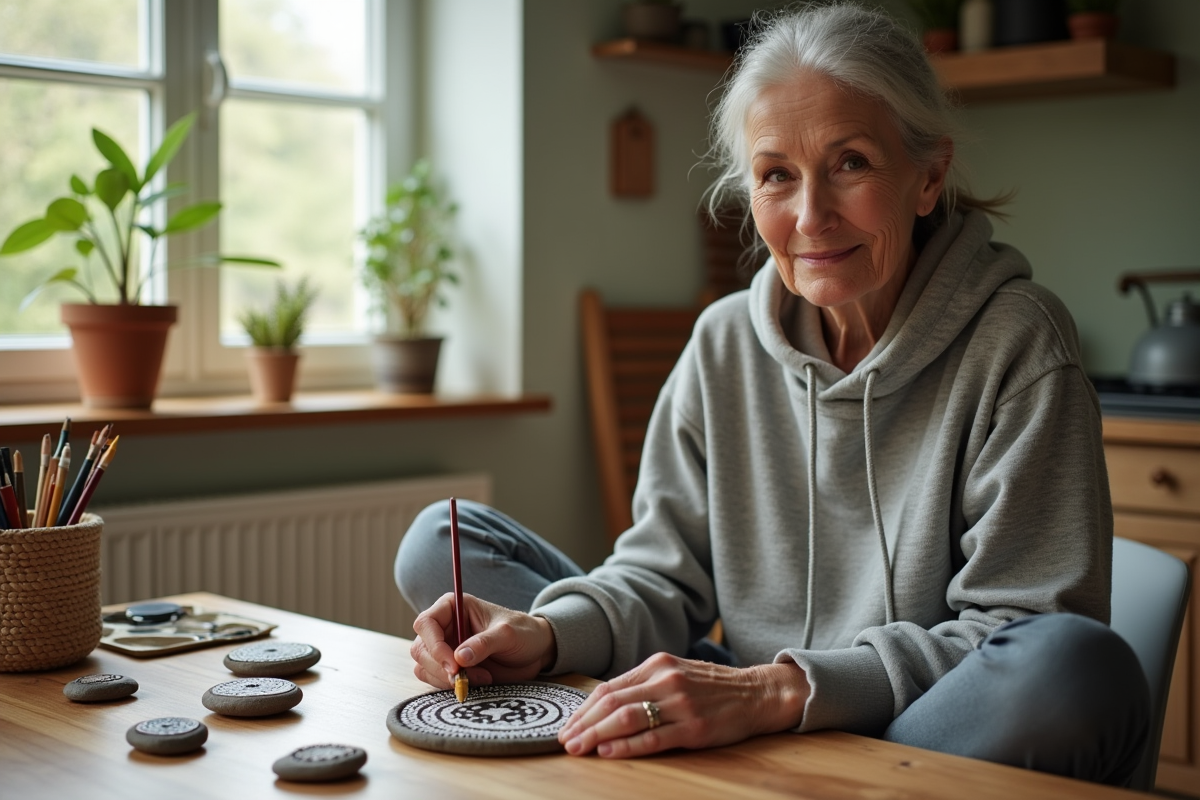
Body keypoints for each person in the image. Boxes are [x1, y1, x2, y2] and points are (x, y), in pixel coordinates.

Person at [395, 3, 1150, 785]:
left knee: (1078, 664)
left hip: (915, 725)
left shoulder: (1019, 343)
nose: (811, 215)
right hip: (738, 705)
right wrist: (545, 634)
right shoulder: (724, 341)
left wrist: (778, 690)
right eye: (776, 174)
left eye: (851, 162)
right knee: (438, 543)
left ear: (927, 177)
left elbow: (1022, 629)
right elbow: (662, 579)